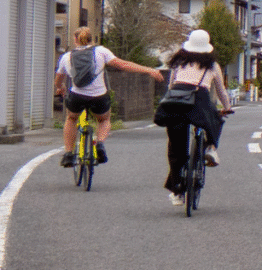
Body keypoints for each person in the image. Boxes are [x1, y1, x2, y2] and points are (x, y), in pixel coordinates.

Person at [54, 26, 164, 167]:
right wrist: (148, 70)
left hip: (77, 96)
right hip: (99, 96)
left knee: (71, 118)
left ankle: (68, 154)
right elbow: (123, 65)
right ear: (91, 40)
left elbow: (58, 79)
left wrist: (60, 87)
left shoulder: (66, 57)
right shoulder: (101, 51)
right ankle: (99, 145)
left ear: (75, 40)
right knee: (104, 119)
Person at [163, 29, 232, 206]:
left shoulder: (178, 62)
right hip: (199, 99)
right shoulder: (212, 65)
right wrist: (227, 107)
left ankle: (177, 190)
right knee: (214, 120)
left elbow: (171, 85)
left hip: (176, 99)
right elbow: (220, 90)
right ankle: (209, 148)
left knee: (176, 147)